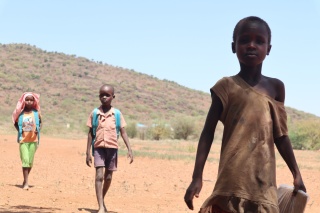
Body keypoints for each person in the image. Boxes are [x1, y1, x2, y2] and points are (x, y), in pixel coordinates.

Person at [184, 16, 306, 213]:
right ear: (234, 47)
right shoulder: (225, 86)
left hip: (263, 183)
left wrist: (296, 173)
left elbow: (281, 136)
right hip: (231, 181)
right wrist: (196, 177)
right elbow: (207, 133)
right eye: (244, 40)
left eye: (259, 41)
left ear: (269, 49)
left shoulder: (276, 87)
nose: (251, 45)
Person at [86, 84, 133, 213]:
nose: (104, 97)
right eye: (102, 95)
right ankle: (100, 206)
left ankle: (102, 200)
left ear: (113, 96)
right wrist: (87, 152)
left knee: (108, 177)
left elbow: (123, 132)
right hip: (98, 148)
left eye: (107, 95)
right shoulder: (95, 113)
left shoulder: (116, 114)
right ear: (99, 96)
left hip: (112, 149)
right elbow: (90, 133)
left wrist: (129, 149)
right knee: (99, 176)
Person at [12, 92, 42, 190]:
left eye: (31, 100)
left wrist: (38, 129)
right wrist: (20, 131)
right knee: (25, 160)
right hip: (23, 140)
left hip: (34, 140)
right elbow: (15, 123)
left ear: (34, 101)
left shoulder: (36, 113)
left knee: (30, 162)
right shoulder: (20, 114)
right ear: (24, 101)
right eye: (27, 99)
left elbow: (41, 123)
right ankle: (26, 183)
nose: (29, 101)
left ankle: (25, 179)